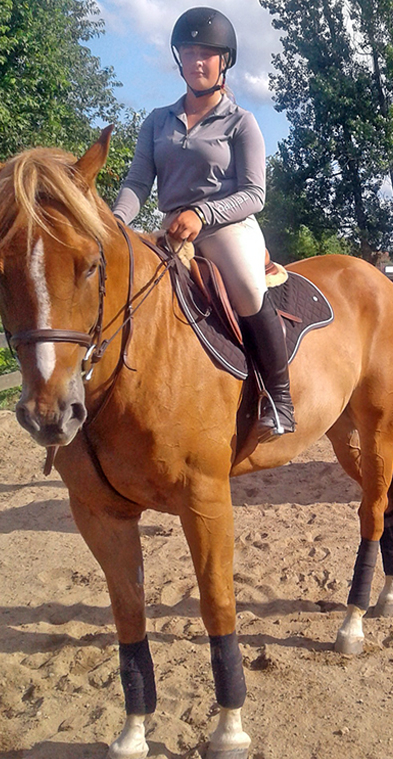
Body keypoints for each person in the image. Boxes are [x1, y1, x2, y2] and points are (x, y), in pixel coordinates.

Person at [113, 6, 295, 441]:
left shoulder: (242, 123)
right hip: (172, 228)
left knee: (248, 289)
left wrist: (203, 213)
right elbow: (138, 182)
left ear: (223, 61)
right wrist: (115, 223)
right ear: (178, 59)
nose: (197, 61)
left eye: (206, 54)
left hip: (228, 226)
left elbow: (255, 194)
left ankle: (279, 397)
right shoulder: (156, 121)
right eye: (189, 52)